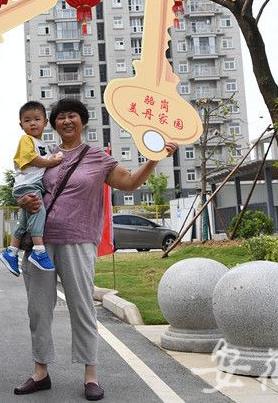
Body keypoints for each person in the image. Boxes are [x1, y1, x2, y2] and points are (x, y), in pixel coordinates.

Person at [13, 98, 176, 401]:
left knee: (82, 307)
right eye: (60, 117)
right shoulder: (44, 154)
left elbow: (128, 183)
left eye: (72, 115)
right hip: (40, 243)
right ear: (54, 124)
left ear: (83, 121)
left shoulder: (97, 157)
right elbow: (26, 189)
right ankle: (40, 372)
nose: (66, 121)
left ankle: (91, 375)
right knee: (38, 309)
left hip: (77, 240)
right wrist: (24, 201)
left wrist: (154, 159)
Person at [0, 101, 62, 276]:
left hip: (33, 185)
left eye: (36, 119)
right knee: (37, 211)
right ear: (21, 125)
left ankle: (11, 251)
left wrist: (54, 156)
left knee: (26, 220)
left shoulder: (42, 144)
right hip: (27, 185)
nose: (32, 123)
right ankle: (39, 250)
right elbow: (33, 159)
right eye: (27, 120)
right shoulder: (26, 140)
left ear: (45, 122)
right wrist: (52, 161)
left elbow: (46, 160)